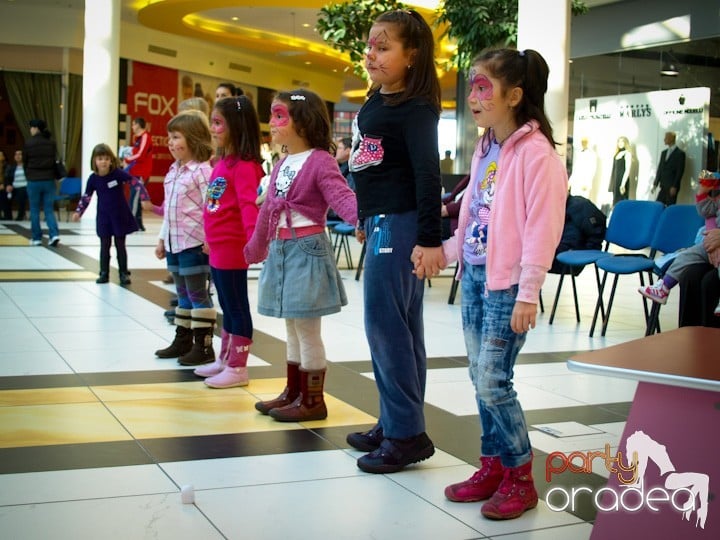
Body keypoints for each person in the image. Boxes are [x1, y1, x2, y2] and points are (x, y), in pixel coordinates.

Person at [435, 48, 567, 520]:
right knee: (479, 377)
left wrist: (528, 292)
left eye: (483, 87)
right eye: (472, 85)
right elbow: (474, 214)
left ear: (514, 95)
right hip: (474, 275)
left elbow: (542, 229)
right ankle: (491, 467)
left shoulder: (538, 155)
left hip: (508, 286)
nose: (473, 96)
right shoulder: (488, 146)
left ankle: (519, 477)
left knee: (493, 381)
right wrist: (447, 253)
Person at [344, 9, 445, 474]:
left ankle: (406, 434)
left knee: (386, 326)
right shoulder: (375, 100)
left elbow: (428, 176)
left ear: (412, 55)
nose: (372, 54)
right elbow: (372, 167)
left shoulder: (417, 108)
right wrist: (364, 214)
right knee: (400, 327)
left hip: (402, 225)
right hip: (381, 221)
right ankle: (396, 419)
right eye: (371, 46)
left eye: (383, 47)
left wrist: (428, 239)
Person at [244, 88, 357, 421]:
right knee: (292, 326)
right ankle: (293, 392)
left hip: (307, 250)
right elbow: (267, 212)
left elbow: (341, 196)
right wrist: (256, 246)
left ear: (304, 122)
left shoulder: (320, 160)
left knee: (307, 329)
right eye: (273, 116)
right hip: (282, 249)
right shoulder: (281, 164)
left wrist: (362, 219)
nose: (273, 123)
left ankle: (312, 400)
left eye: (280, 116)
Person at [193, 95, 265, 388]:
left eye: (218, 123)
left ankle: (238, 367)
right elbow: (215, 206)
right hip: (219, 246)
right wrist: (209, 238)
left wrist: (252, 243)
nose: (213, 129)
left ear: (235, 126)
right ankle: (225, 359)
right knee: (225, 303)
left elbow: (249, 207)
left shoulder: (245, 166)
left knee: (236, 306)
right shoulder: (224, 162)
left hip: (235, 248)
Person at [153, 111, 215, 366]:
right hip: (174, 243)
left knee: (197, 292)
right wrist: (160, 239)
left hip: (194, 243)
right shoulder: (173, 171)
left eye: (176, 136)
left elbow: (212, 205)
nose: (170, 142)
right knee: (182, 293)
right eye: (169, 137)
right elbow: (169, 209)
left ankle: (203, 345)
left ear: (193, 139)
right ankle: (183, 339)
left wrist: (211, 237)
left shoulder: (202, 171)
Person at [639, 171, 720, 314]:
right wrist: (703, 192)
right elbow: (708, 212)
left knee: (709, 281)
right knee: (687, 260)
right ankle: (664, 287)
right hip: (712, 241)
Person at [71, 144, 151, 284]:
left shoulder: (117, 174)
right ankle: (104, 273)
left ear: (111, 160)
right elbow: (86, 197)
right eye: (100, 158)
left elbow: (135, 182)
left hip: (119, 216)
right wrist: (79, 212)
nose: (104, 161)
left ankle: (123, 273)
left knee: (120, 245)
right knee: (104, 245)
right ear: (94, 161)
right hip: (104, 217)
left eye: (107, 158)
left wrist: (145, 197)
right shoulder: (93, 179)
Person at [23, 119, 61, 246]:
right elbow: (54, 160)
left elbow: (25, 162)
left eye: (31, 128)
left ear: (35, 128)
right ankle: (54, 234)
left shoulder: (29, 143)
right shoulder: (51, 143)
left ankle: (36, 238)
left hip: (34, 180)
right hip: (49, 180)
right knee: (48, 209)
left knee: (34, 210)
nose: (30, 130)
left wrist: (28, 174)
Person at [124, 117, 153, 231]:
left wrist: (127, 159)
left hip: (141, 173)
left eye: (133, 124)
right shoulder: (138, 139)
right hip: (135, 172)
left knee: (134, 198)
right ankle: (138, 224)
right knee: (136, 197)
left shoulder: (145, 137)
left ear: (137, 125)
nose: (132, 127)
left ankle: (131, 224)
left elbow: (141, 155)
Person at [653, 131, 686, 206]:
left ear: (671, 139)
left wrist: (675, 186)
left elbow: (680, 171)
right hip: (663, 185)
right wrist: (656, 183)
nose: (664, 139)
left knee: (669, 206)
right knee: (658, 205)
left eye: (666, 138)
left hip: (671, 186)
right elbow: (660, 168)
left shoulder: (680, 154)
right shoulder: (664, 153)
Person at [441, 173, 469, 239]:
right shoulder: (471, 176)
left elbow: (466, 205)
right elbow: (451, 197)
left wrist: (446, 209)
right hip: (451, 213)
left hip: (457, 222)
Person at [3, 150, 29, 221]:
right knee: (4, 194)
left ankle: (21, 215)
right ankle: (8, 216)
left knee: (21, 194)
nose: (17, 156)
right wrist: (8, 185)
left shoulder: (27, 167)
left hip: (24, 187)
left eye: (20, 154)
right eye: (16, 154)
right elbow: (7, 178)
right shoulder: (12, 167)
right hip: (14, 187)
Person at [608, 136, 632, 207]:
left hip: (622, 180)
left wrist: (623, 184)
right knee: (615, 201)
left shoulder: (627, 153)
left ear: (625, 143)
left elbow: (628, 170)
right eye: (619, 141)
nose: (620, 143)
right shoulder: (617, 154)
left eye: (622, 141)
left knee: (622, 201)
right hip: (616, 180)